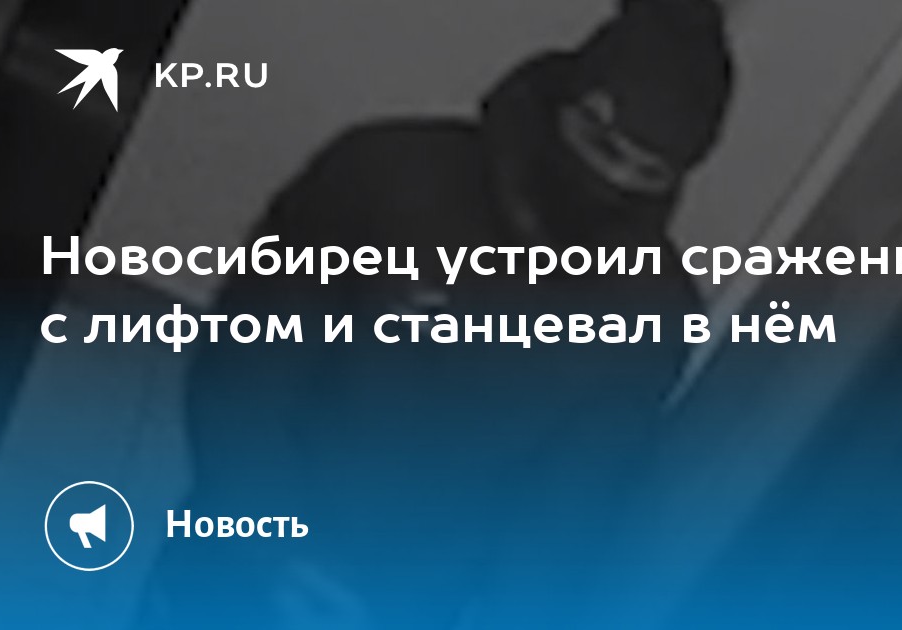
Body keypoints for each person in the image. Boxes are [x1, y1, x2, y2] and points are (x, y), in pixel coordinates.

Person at [153, 1, 734, 627]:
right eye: (599, 143)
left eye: (649, 173)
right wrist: (274, 553)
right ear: (566, 102)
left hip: (409, 601)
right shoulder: (386, 176)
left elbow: (566, 515)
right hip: (238, 554)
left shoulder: (652, 312)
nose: (613, 180)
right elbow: (244, 373)